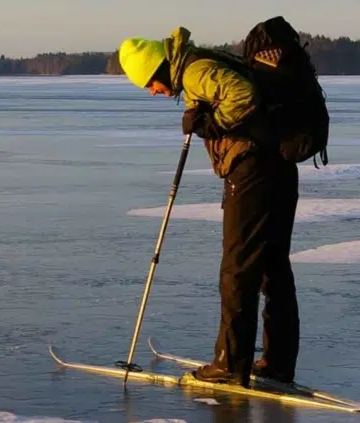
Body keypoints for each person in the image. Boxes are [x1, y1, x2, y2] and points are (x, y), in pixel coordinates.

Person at [117, 27, 301, 387]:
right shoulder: (203, 62)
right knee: (272, 266)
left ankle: (230, 364)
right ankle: (277, 362)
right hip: (276, 167)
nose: (153, 91)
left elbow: (243, 96)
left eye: (150, 84)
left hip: (251, 172)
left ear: (157, 69)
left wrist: (210, 124)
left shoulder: (194, 71)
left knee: (237, 269)